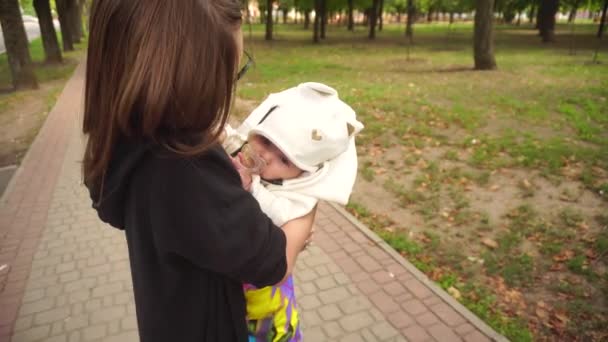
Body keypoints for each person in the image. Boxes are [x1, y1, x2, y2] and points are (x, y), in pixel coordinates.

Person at [81, 1, 314, 341]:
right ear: (192, 79)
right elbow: (272, 263)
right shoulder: (184, 166)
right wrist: (308, 203)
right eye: (232, 72)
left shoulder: (128, 144)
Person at [224, 82, 364, 341]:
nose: (265, 156)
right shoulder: (250, 163)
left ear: (304, 173)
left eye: (285, 160)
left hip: (266, 317)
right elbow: (228, 141)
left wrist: (250, 186)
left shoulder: (300, 200)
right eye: (265, 140)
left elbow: (281, 263)